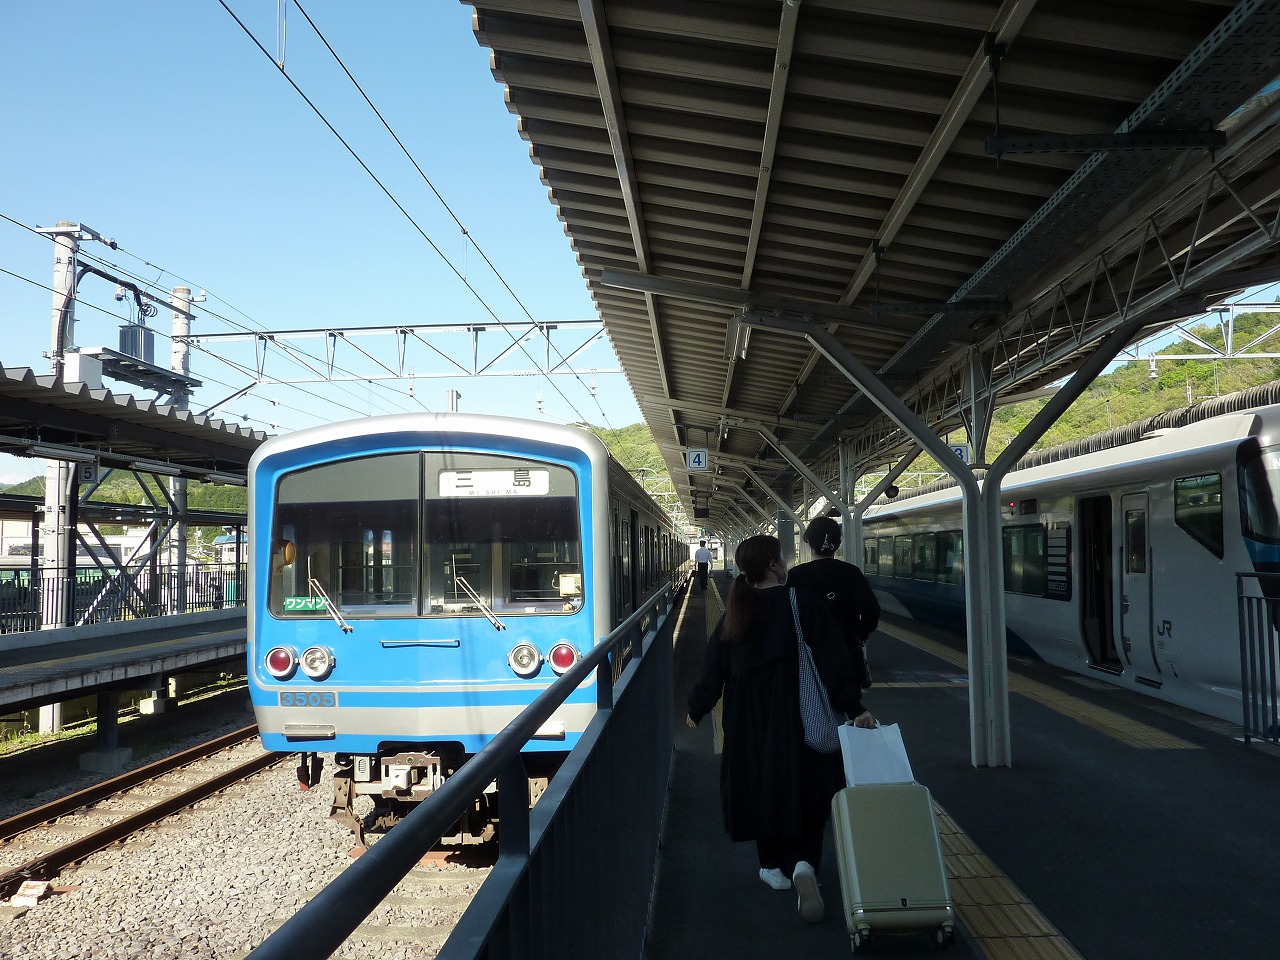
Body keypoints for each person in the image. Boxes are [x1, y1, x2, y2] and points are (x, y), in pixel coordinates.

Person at [686, 534, 875, 924]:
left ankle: (772, 867)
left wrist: (697, 708)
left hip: (746, 716)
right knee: (808, 782)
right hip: (799, 709)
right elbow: (832, 658)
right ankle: (804, 863)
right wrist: (853, 707)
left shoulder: (737, 609)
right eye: (782, 559)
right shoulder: (801, 602)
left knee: (759, 782)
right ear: (773, 565)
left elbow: (714, 664)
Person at [787, 516, 880, 687]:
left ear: (809, 542)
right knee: (847, 698)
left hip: (807, 653)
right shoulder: (851, 573)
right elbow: (871, 610)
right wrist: (860, 633)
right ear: (837, 543)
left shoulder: (795, 576)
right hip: (845, 650)